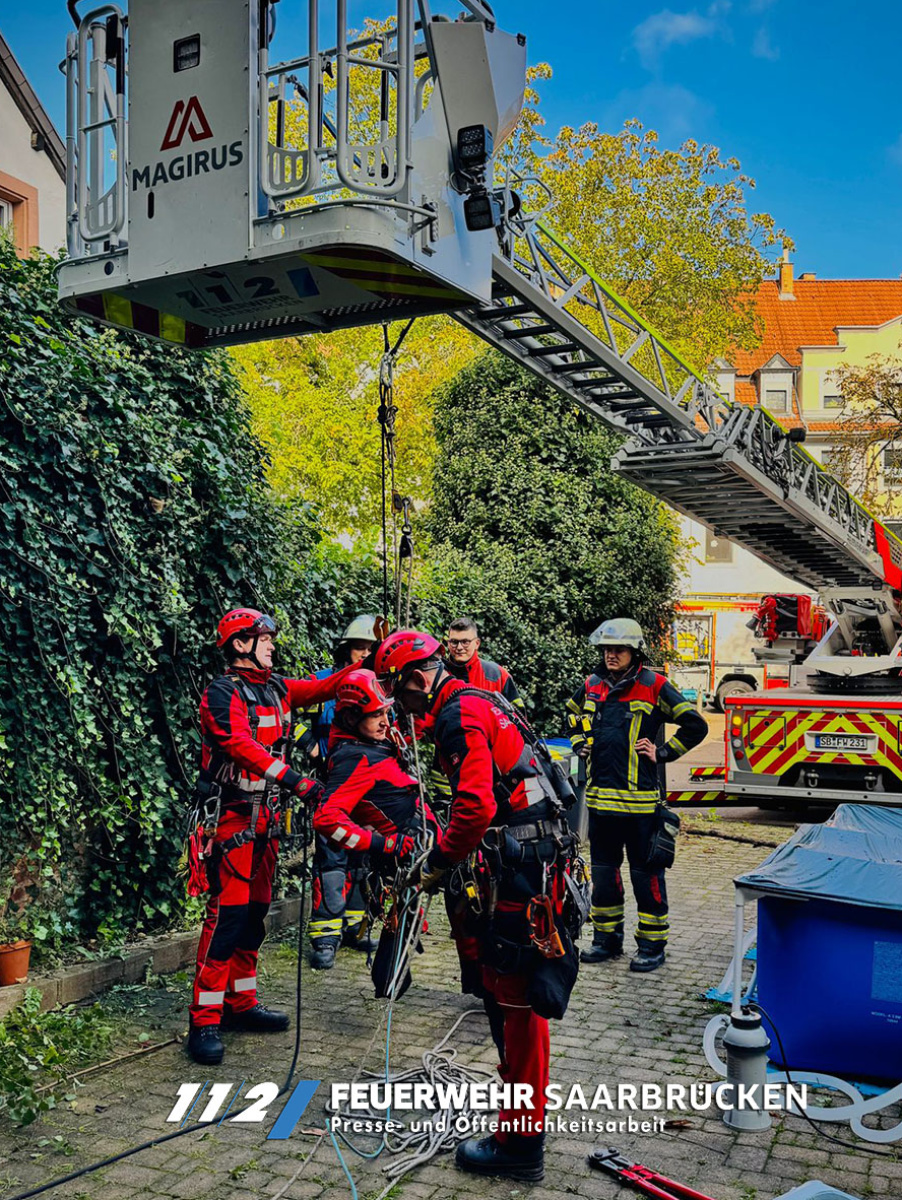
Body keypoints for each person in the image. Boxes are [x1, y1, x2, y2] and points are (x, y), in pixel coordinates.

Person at [375, 630, 581, 1183]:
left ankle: (520, 1144)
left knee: (516, 1003)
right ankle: (519, 1129)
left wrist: (438, 863)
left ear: (418, 678)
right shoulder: (480, 700)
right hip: (534, 859)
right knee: (505, 993)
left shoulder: (458, 715)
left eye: (400, 691)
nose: (401, 705)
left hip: (520, 870)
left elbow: (474, 807)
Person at [188, 608, 355, 1066]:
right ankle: (204, 1020)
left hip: (267, 821)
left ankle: (241, 1003)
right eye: (265, 639)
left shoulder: (277, 687)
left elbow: (324, 687)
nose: (272, 646)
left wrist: (371, 662)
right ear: (241, 643)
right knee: (227, 917)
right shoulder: (221, 693)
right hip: (232, 818)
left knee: (256, 913)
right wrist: (298, 780)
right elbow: (240, 745)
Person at [566, 618, 707, 973]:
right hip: (600, 804)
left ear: (635, 652)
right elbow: (572, 714)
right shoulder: (592, 685)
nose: (611, 655)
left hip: (641, 807)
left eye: (619, 650)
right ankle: (606, 940)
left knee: (646, 878)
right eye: (607, 650)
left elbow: (696, 725)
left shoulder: (654, 685)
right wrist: (581, 742)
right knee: (604, 877)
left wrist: (663, 752)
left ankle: (652, 946)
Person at [312, 669, 440, 920]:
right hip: (407, 855)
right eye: (375, 715)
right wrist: (383, 844)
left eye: (385, 712)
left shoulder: (372, 739)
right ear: (352, 717)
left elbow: (414, 726)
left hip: (422, 845)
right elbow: (326, 819)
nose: (385, 722)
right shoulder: (355, 758)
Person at [295, 615, 382, 968]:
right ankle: (325, 938)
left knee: (362, 859)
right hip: (331, 786)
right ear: (346, 649)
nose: (365, 655)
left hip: (368, 787)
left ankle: (355, 930)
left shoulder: (382, 688)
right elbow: (286, 715)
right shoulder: (321, 682)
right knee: (331, 862)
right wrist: (310, 745)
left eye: (371, 649)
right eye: (360, 648)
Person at [429, 618, 524, 808]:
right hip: (446, 767)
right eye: (454, 642)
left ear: (477, 643)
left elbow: (519, 720)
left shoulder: (496, 675)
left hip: (492, 770)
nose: (459, 647)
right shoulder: (435, 675)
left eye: (465, 642)